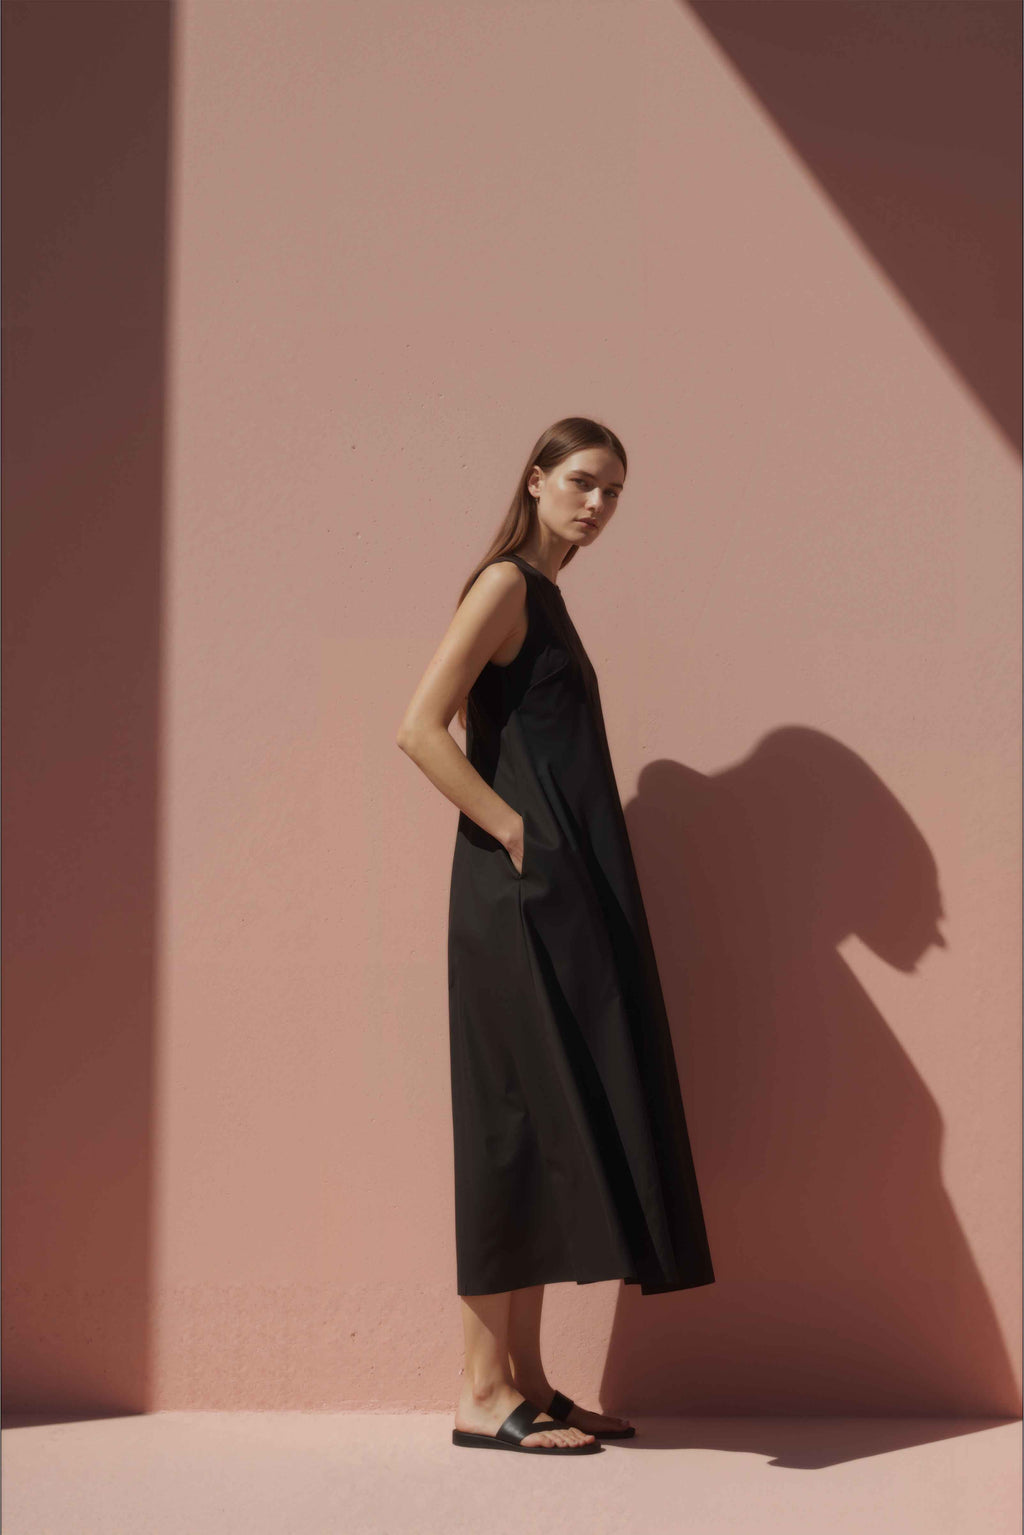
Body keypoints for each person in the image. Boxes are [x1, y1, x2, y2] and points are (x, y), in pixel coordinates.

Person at [396, 417, 715, 1456]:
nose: (597, 504)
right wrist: (506, 826)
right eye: (581, 481)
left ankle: (526, 1379)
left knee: (537, 1128)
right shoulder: (504, 586)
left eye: (613, 491)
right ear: (534, 480)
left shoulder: (549, 598)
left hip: (548, 904)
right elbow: (416, 725)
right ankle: (478, 1389)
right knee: (506, 1128)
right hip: (510, 901)